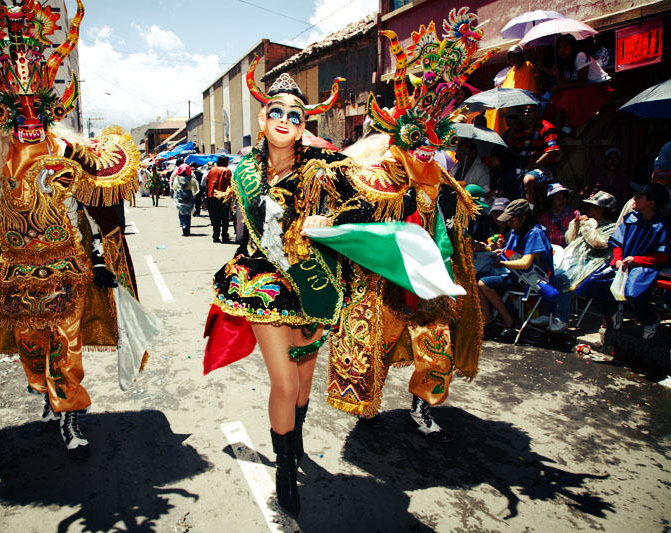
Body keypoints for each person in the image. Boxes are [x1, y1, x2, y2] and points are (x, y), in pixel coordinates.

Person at [0, 1, 148, 459]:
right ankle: (46, 388)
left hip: (66, 268)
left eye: (35, 111)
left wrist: (101, 263)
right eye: (17, 111)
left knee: (67, 343)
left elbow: (80, 211)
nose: (27, 120)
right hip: (15, 274)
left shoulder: (66, 151)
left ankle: (70, 415)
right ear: (3, 113)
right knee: (33, 344)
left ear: (47, 110)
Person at [203, 59, 369, 517]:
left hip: (312, 283)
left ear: (303, 127)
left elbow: (366, 205)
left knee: (302, 378)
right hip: (261, 285)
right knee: (282, 379)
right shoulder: (245, 170)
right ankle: (282, 469)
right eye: (277, 112)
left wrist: (329, 218)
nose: (285, 121)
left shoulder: (326, 166)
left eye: (295, 117)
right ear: (263, 118)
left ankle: (294, 440)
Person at [326, 16, 488, 443]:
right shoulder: (372, 172)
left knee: (437, 350)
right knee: (372, 348)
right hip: (384, 282)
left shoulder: (444, 181)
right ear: (400, 136)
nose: (427, 151)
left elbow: (455, 228)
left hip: (431, 282)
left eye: (436, 143)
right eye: (419, 140)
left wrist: (456, 241)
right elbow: (350, 216)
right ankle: (367, 400)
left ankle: (422, 406)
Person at [579, 183, 668, 339]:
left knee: (633, 292)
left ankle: (651, 320)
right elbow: (617, 243)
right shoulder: (630, 218)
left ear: (651, 203)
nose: (634, 198)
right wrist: (618, 259)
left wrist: (636, 260)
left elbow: (662, 255)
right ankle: (614, 311)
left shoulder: (662, 226)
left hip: (645, 266)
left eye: (639, 196)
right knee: (591, 283)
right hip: (622, 263)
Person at [478, 198, 554, 342]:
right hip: (517, 276)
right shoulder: (516, 231)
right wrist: (496, 250)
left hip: (531, 280)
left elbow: (526, 263)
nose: (508, 224)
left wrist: (503, 263)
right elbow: (509, 253)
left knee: (483, 284)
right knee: (480, 279)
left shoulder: (534, 233)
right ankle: (488, 323)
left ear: (523, 218)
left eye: (511, 221)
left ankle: (508, 319)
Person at [547, 190, 618, 332]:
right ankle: (546, 314)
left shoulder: (612, 227)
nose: (589, 209)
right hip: (574, 261)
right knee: (548, 273)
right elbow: (571, 240)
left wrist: (586, 226)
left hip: (592, 265)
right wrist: (576, 225)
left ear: (602, 209)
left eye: (593, 206)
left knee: (562, 278)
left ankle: (562, 319)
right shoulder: (591, 223)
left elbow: (597, 243)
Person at [547, 34, 613, 135]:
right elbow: (563, 83)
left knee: (567, 96)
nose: (562, 50)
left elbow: (581, 81)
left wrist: (561, 87)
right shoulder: (563, 63)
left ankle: (568, 126)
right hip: (583, 88)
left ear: (572, 46)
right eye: (559, 48)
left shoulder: (580, 56)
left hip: (599, 87)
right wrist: (555, 75)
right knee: (556, 98)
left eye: (565, 46)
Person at [507, 104, 561, 205]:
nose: (526, 114)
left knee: (528, 179)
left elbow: (551, 153)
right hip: (523, 167)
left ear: (536, 111)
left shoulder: (546, 127)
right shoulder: (517, 131)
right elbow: (511, 151)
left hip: (546, 168)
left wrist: (531, 167)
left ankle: (529, 210)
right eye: (521, 112)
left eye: (529, 110)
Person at [486, 45, 539, 134]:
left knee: (500, 111)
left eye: (515, 56)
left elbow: (529, 86)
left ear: (521, 56)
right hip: (510, 101)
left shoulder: (528, 66)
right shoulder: (511, 72)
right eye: (510, 56)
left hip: (522, 101)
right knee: (492, 109)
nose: (512, 58)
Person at [206, 155, 232, 243]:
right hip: (223, 196)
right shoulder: (226, 170)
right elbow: (229, 183)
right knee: (225, 217)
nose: (228, 164)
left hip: (212, 195)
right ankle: (224, 236)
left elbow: (207, 181)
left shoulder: (211, 170)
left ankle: (215, 236)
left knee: (215, 217)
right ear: (224, 162)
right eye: (227, 162)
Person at [171, 163, 199, 236]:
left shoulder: (177, 179)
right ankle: (187, 227)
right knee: (188, 214)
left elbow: (174, 188)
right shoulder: (191, 179)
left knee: (181, 213)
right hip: (189, 197)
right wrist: (194, 194)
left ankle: (183, 225)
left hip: (180, 197)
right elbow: (196, 189)